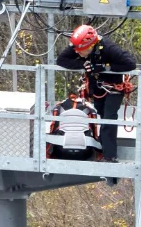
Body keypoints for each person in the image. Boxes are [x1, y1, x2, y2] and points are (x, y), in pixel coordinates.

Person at [56, 25, 136, 163]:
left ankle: (110, 156)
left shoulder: (108, 48)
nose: (77, 52)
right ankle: (102, 147)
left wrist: (106, 67)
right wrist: (83, 64)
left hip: (114, 87)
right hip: (98, 88)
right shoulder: (80, 46)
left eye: (80, 50)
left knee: (109, 118)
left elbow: (130, 64)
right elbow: (62, 60)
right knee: (101, 115)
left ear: (90, 45)